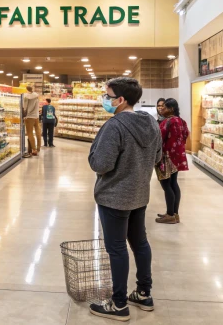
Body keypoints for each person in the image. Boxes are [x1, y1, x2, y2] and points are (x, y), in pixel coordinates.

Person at [88, 77, 162, 321]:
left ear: (120, 100)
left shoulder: (114, 126)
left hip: (114, 197)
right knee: (140, 243)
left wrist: (93, 154)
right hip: (139, 193)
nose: (105, 100)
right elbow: (158, 156)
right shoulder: (150, 122)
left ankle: (119, 304)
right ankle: (143, 293)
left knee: (117, 248)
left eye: (107, 96)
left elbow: (101, 164)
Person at [155, 98, 189, 225]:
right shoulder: (181, 121)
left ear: (172, 109)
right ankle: (174, 214)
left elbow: (160, 139)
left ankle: (170, 215)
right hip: (177, 157)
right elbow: (186, 135)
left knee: (166, 185)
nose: (162, 109)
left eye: (165, 107)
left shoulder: (168, 121)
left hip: (166, 157)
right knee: (174, 184)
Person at [22, 84, 41, 157]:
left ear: (26, 89)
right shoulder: (36, 96)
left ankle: (34, 149)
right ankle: (38, 147)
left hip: (29, 117)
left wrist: (25, 115)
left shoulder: (26, 97)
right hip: (36, 116)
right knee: (37, 131)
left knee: (30, 133)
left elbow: (25, 107)